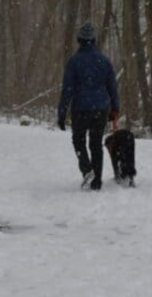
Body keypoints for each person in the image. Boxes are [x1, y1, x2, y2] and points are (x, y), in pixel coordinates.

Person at [58, 22, 119, 190]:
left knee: (78, 141)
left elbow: (67, 90)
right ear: (94, 40)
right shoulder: (104, 61)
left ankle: (86, 169)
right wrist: (115, 108)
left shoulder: (74, 62)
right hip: (100, 108)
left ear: (80, 40)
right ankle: (97, 180)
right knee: (95, 143)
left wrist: (62, 113)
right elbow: (112, 87)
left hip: (80, 109)